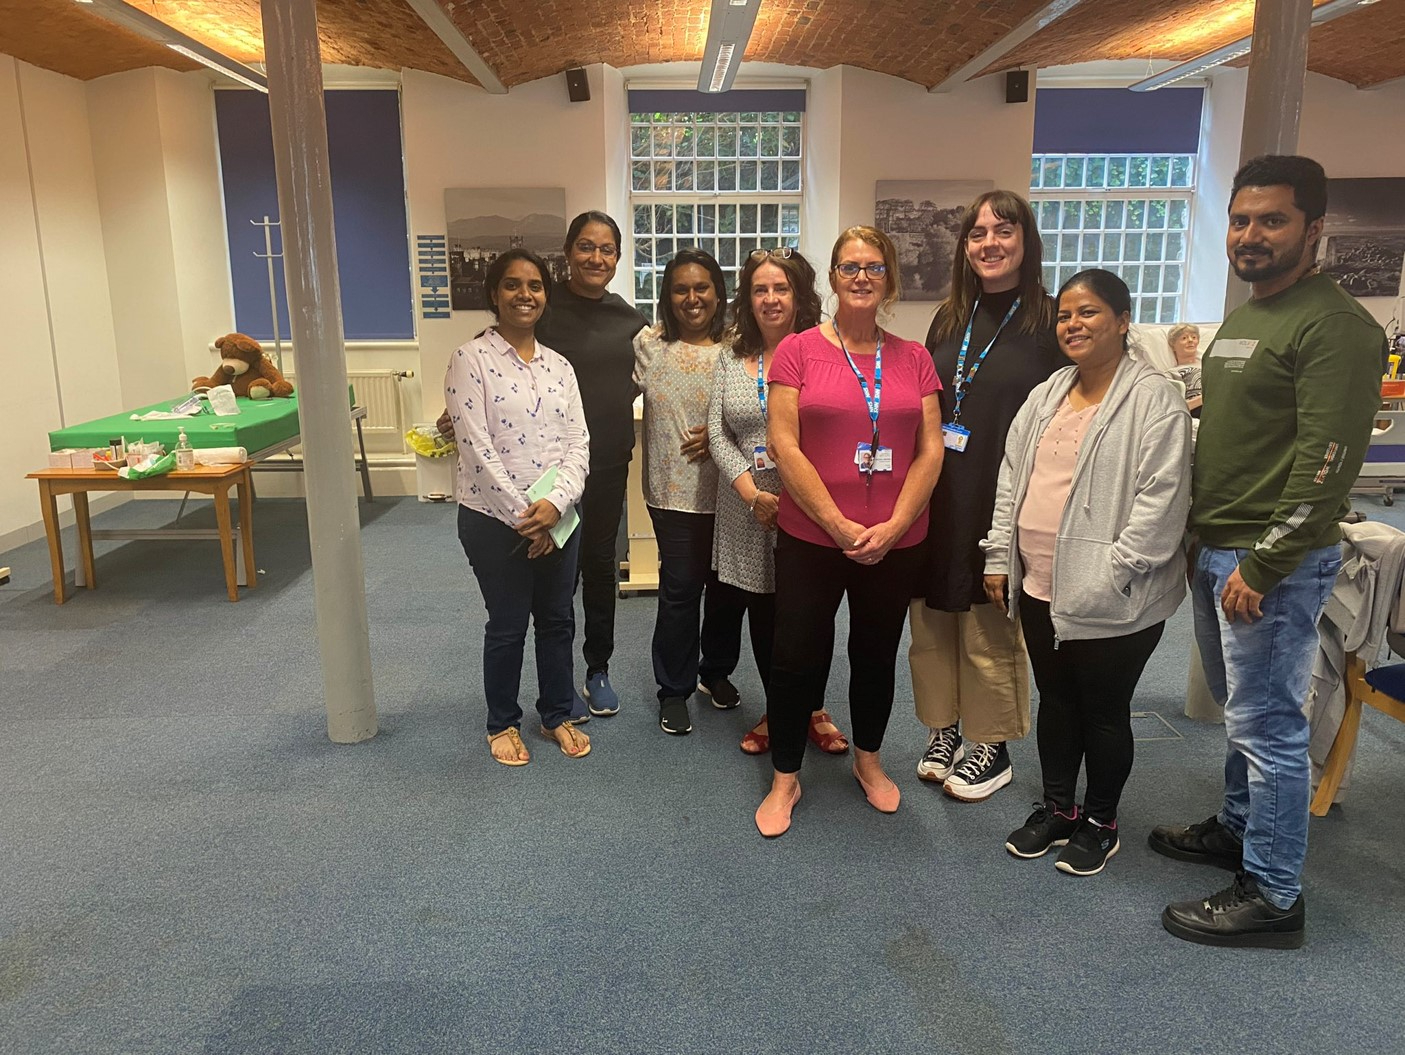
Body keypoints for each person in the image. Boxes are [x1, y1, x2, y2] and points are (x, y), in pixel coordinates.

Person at [1153, 156, 1387, 948]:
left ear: (1313, 228)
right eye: (1240, 219)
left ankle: (1273, 891)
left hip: (1267, 562)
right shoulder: (1252, 314)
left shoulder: (1334, 326)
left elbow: (1326, 463)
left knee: (1269, 726)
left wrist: (1262, 562)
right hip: (1219, 547)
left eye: (1272, 220)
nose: (1250, 235)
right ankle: (1236, 828)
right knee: (1241, 715)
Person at [983, 268, 1191, 875]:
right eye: (1066, 315)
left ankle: (1101, 820)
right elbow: (1011, 478)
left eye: (1090, 313)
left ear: (1123, 321)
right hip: (1042, 582)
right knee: (1056, 701)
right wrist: (1001, 554)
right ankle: (1059, 809)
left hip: (1116, 591)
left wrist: (1115, 573)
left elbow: (1162, 500)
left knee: (1102, 709)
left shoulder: (1154, 398)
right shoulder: (1047, 392)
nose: (1073, 325)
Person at [754, 226, 944, 837]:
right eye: (848, 267)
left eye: (873, 267)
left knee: (874, 653)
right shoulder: (799, 351)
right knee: (795, 657)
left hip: (894, 541)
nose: (861, 277)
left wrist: (893, 525)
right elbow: (783, 444)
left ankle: (868, 759)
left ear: (890, 277)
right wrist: (836, 522)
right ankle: (786, 774)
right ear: (832, 278)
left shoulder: (914, 357)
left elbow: (930, 451)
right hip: (813, 537)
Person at [909, 190, 1065, 802]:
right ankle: (944, 729)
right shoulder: (949, 319)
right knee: (932, 617)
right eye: (977, 234)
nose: (990, 243)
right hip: (938, 493)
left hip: (1003, 497)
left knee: (987, 621)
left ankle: (991, 744)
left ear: (1026, 240)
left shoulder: (1049, 322)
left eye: (1003, 230)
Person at [445, 249, 592, 765]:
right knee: (507, 623)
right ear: (494, 294)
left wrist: (554, 506)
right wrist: (526, 519)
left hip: (560, 518)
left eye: (534, 285)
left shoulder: (560, 367)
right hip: (492, 519)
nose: (524, 294)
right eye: (512, 285)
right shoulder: (470, 359)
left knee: (557, 620)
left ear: (545, 296)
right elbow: (475, 447)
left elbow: (579, 442)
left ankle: (556, 713)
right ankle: (502, 722)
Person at [708, 248, 849, 756]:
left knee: (813, 612)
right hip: (748, 508)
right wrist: (751, 494)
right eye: (760, 289)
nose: (771, 299)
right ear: (748, 298)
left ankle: (811, 707)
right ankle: (778, 708)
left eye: (781, 288)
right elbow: (718, 433)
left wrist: (796, 496)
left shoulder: (823, 350)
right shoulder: (730, 354)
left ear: (799, 295)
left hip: (808, 503)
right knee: (765, 614)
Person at [633, 249, 744, 735]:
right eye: (681, 289)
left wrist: (721, 434)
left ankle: (714, 671)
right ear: (667, 296)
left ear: (718, 294)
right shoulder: (647, 345)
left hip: (732, 489)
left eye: (702, 288)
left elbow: (764, 409)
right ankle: (672, 689)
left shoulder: (739, 348)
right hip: (671, 491)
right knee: (680, 590)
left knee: (726, 591)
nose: (692, 298)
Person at [1165, 323, 1203, 416]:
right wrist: (1205, 398)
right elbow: (1174, 408)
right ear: (1173, 345)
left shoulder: (1209, 365)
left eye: (1194, 337)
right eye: (1184, 338)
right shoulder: (1171, 373)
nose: (1190, 340)